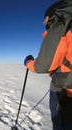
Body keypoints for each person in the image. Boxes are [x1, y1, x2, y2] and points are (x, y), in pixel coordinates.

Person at [24, 0, 72, 130]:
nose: (43, 23)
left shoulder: (60, 27)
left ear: (52, 15)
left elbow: (42, 66)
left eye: (45, 18)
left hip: (65, 91)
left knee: (62, 123)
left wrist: (28, 62)